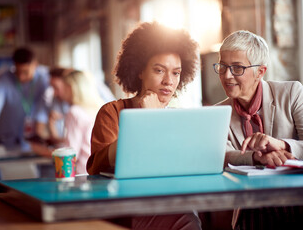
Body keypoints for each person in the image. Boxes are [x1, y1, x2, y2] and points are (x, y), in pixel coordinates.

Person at [87, 22, 201, 229]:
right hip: (126, 209)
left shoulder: (181, 119)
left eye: (176, 73)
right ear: (140, 71)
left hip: (173, 206)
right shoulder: (112, 112)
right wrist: (149, 119)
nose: (169, 81)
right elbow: (98, 166)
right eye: (159, 70)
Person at [214, 30, 303, 229]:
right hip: (251, 211)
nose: (227, 76)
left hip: (297, 203)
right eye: (222, 66)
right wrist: (256, 158)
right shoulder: (218, 114)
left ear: (260, 72)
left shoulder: (292, 93)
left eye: (237, 68)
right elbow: (220, 154)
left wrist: (281, 145)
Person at [30, 68, 104, 175]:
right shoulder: (96, 109)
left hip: (81, 175)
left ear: (70, 88)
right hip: (97, 173)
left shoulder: (74, 112)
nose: (56, 93)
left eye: (62, 87)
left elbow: (69, 155)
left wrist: (39, 151)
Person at [0, 47, 50, 152]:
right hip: (6, 141)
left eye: (25, 72)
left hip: (34, 141)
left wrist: (41, 135)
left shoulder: (45, 78)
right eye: (18, 72)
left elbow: (43, 108)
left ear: (35, 65)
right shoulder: (3, 79)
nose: (21, 77)